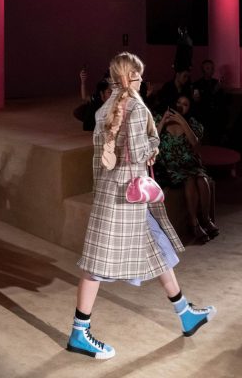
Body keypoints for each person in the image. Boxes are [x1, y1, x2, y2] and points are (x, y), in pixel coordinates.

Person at [67, 52, 216, 360]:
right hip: (125, 201)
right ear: (129, 77)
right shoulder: (135, 108)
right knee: (96, 265)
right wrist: (154, 144)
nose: (142, 81)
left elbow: (102, 159)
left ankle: (185, 313)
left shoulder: (104, 109)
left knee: (157, 250)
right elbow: (138, 153)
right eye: (139, 76)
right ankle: (79, 333)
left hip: (115, 197)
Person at [154, 95, 218, 243]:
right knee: (189, 179)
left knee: (202, 179)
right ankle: (194, 223)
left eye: (185, 104)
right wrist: (163, 121)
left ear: (190, 108)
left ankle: (206, 220)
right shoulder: (159, 119)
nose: (180, 106)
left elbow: (195, 143)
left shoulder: (192, 123)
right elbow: (152, 140)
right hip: (170, 165)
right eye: (178, 102)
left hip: (190, 163)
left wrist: (182, 121)